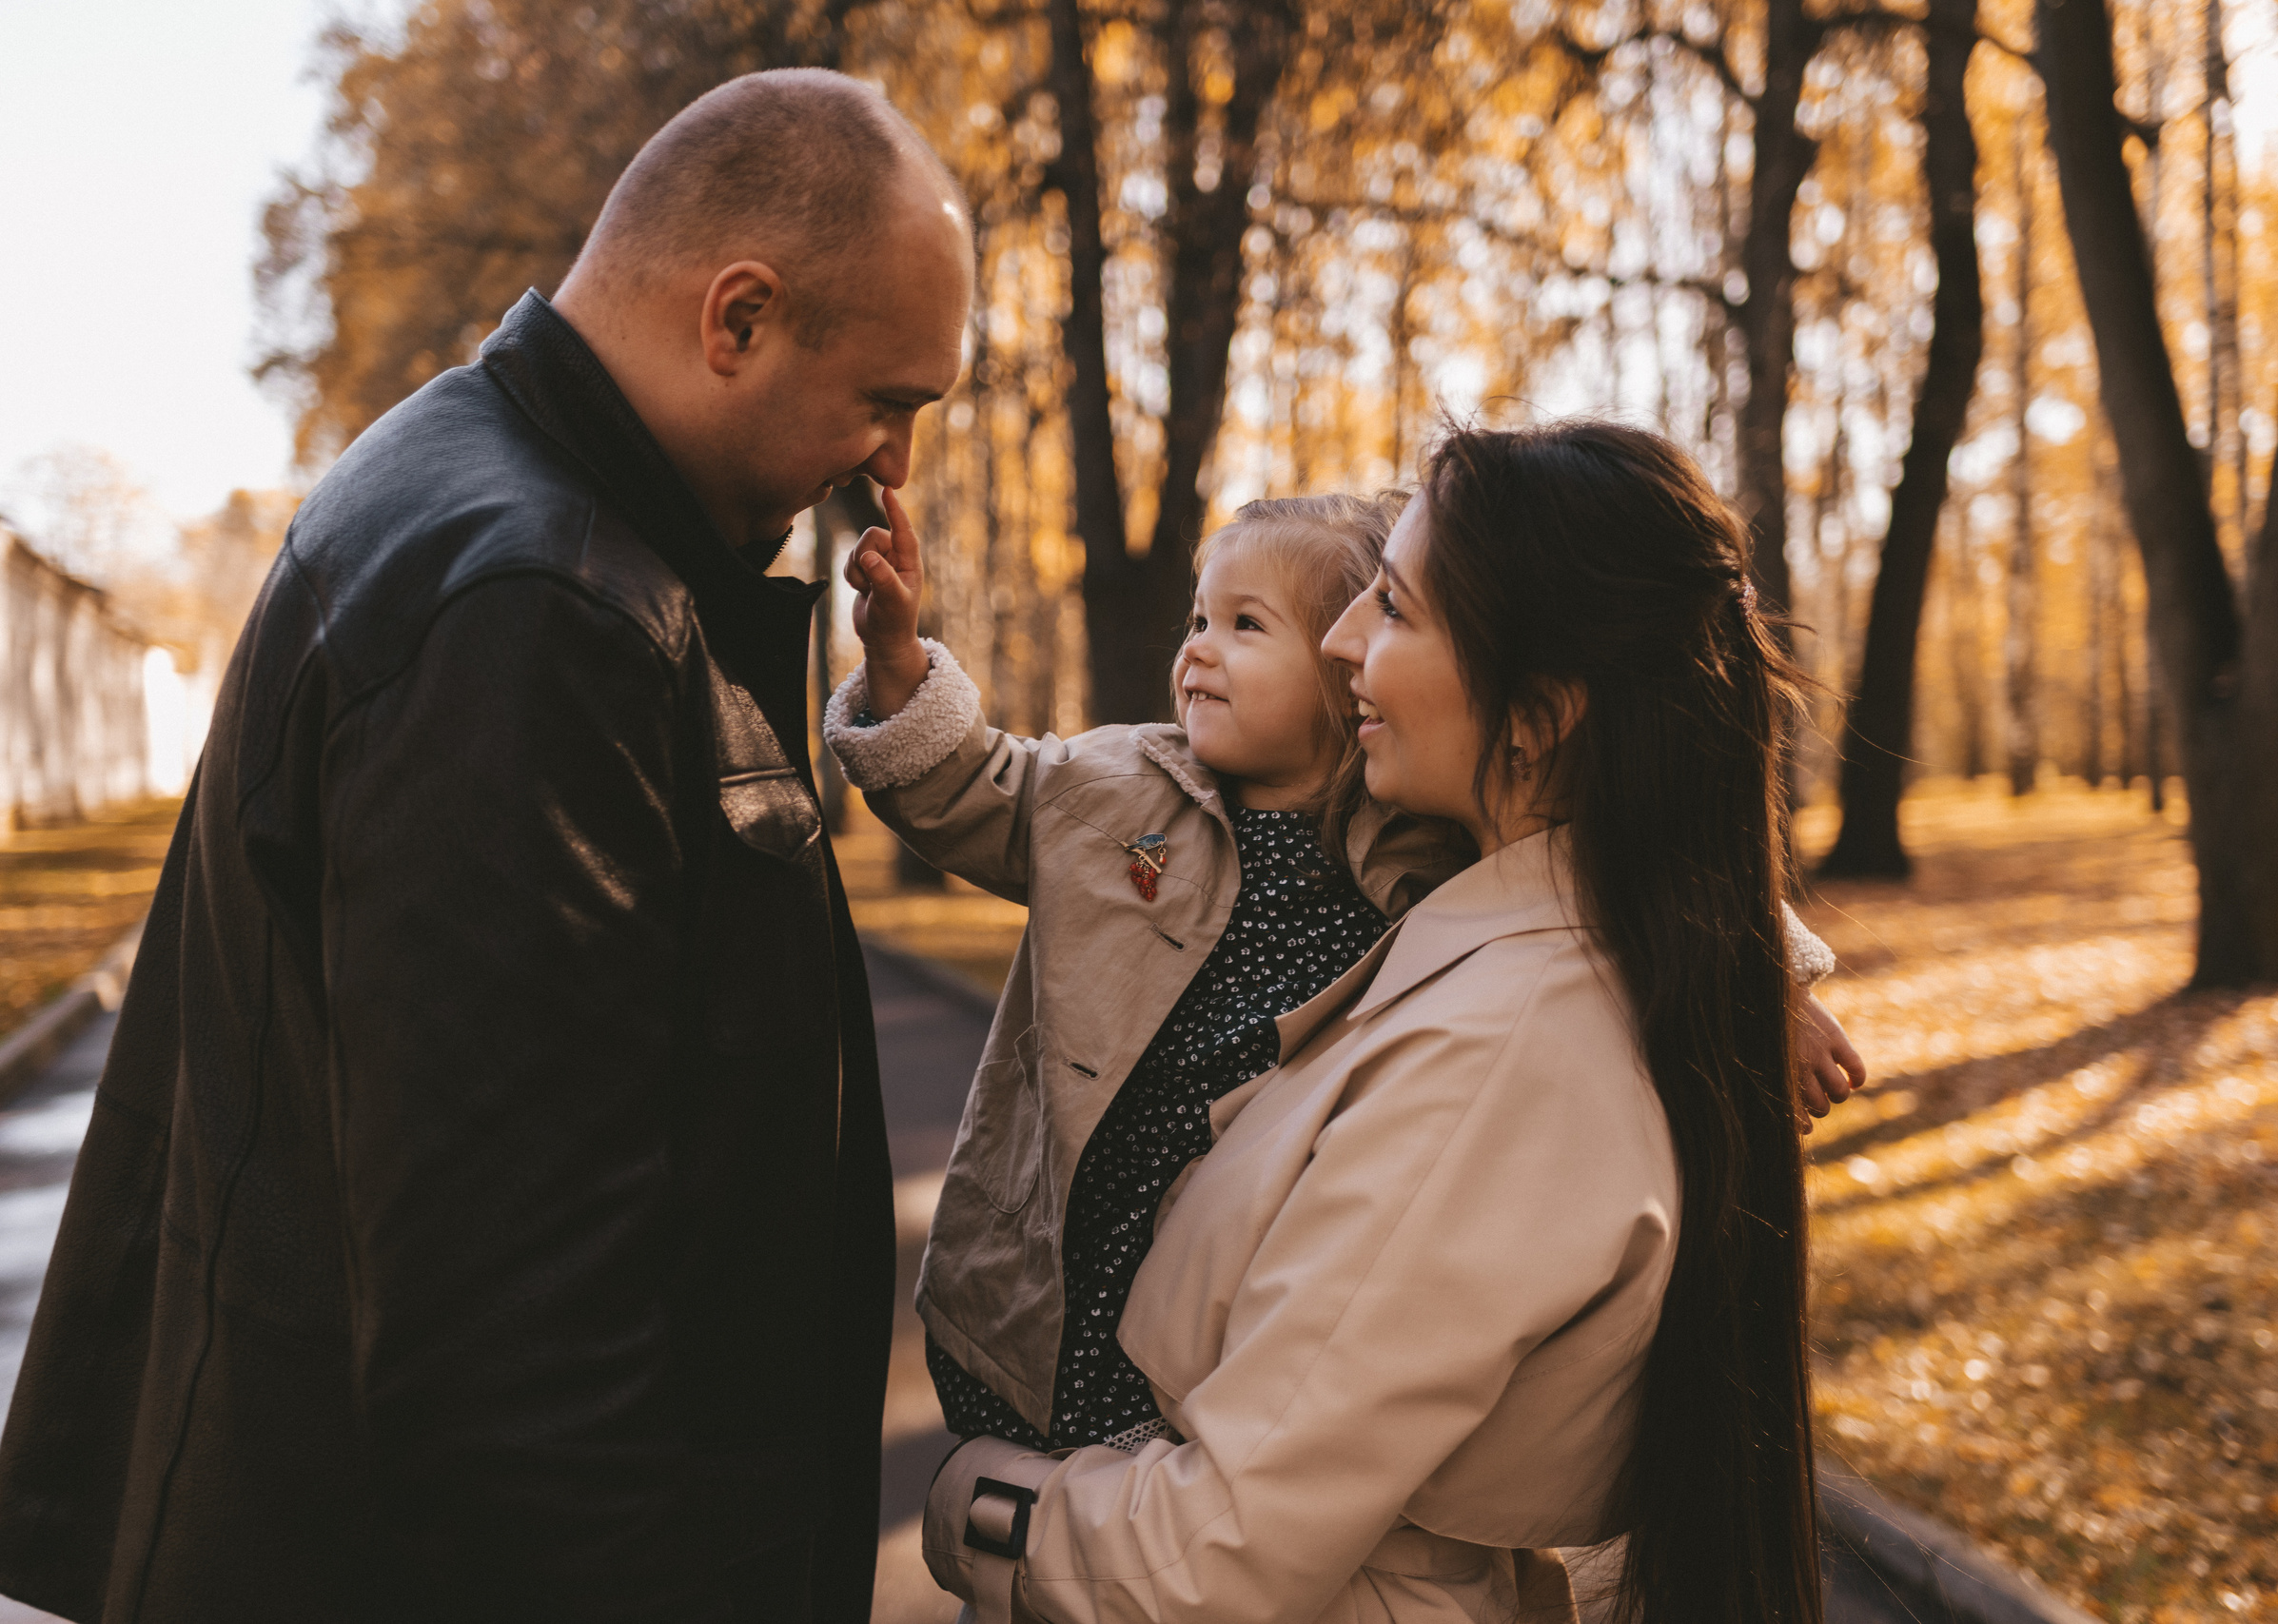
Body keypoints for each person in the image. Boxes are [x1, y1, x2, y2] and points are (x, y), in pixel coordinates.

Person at [0, 70, 970, 1624]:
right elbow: (516, 1366)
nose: (890, 464)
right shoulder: (537, 609)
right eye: (888, 399)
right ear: (738, 319)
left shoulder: (501, 509)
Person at [824, 472, 1855, 1539]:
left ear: (1344, 669)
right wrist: (900, 666)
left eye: (1246, 625)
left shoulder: (1420, 832)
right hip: (1060, 1259)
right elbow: (968, 785)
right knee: (1044, 1519)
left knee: (1177, 1489)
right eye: (1197, 619)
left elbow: (1623, 852)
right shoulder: (1112, 784)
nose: (1198, 650)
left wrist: (1765, 980)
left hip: (1226, 1288)